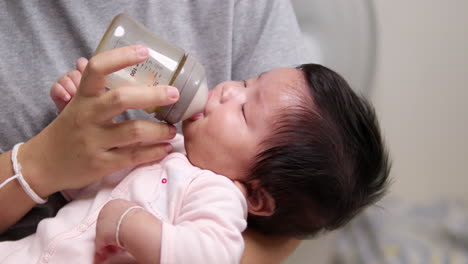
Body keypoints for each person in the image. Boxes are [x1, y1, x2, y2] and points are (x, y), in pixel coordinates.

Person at [0, 53, 390, 263]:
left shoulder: (219, 195)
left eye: (243, 112)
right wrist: (73, 118)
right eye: (245, 83)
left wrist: (127, 224)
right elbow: (84, 190)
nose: (226, 91)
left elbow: (211, 256)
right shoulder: (169, 149)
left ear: (257, 197)